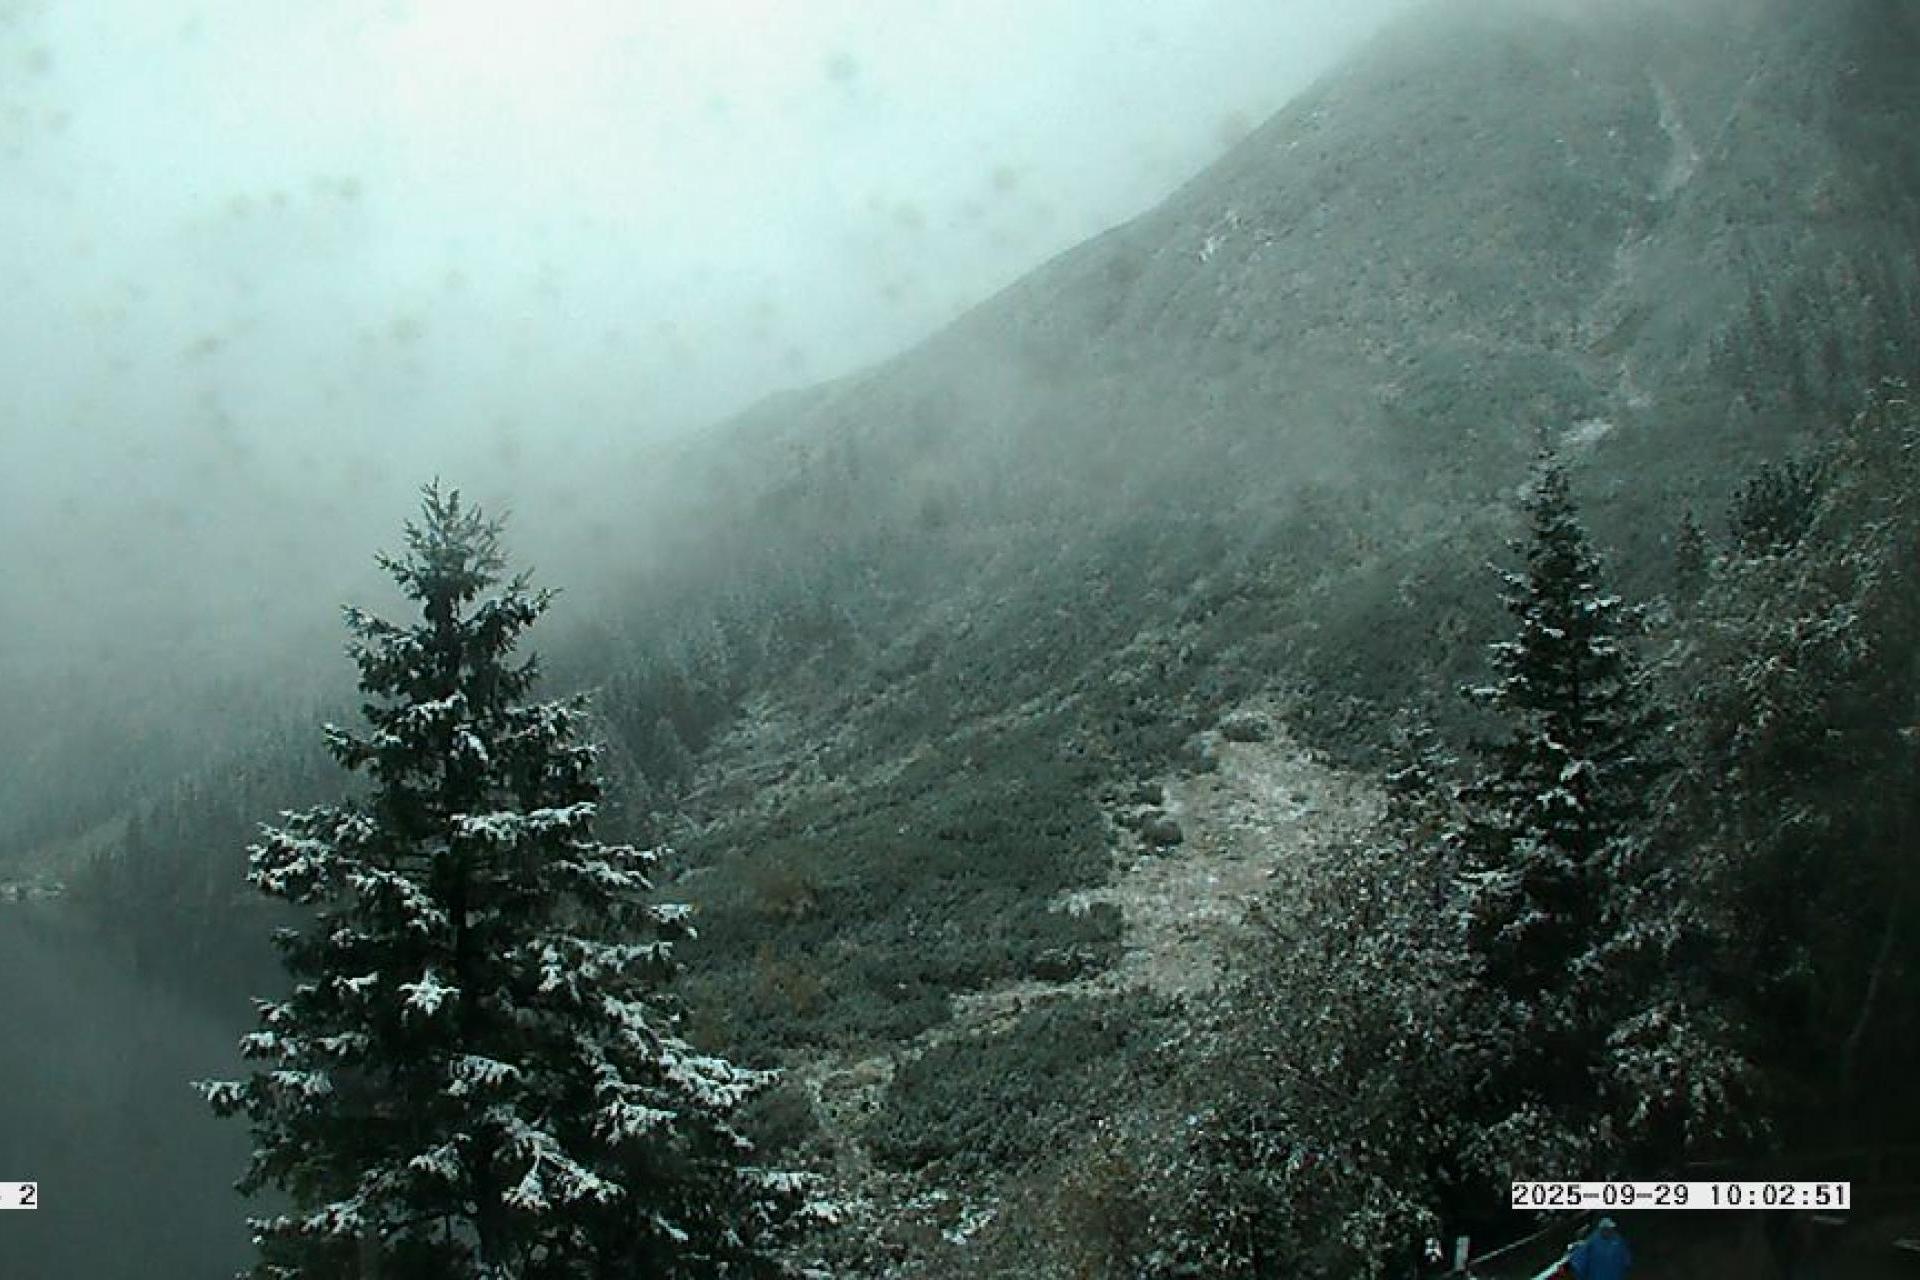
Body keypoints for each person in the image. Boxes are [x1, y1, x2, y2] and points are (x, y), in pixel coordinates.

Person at [1568, 1217, 1632, 1280]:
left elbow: (1625, 1254)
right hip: (1597, 1275)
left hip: (1614, 1274)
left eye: (1610, 1228)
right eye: (1606, 1229)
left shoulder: (1617, 1240)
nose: (1609, 1231)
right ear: (1601, 1229)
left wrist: (1627, 1263)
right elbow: (1580, 1258)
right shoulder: (1592, 1241)